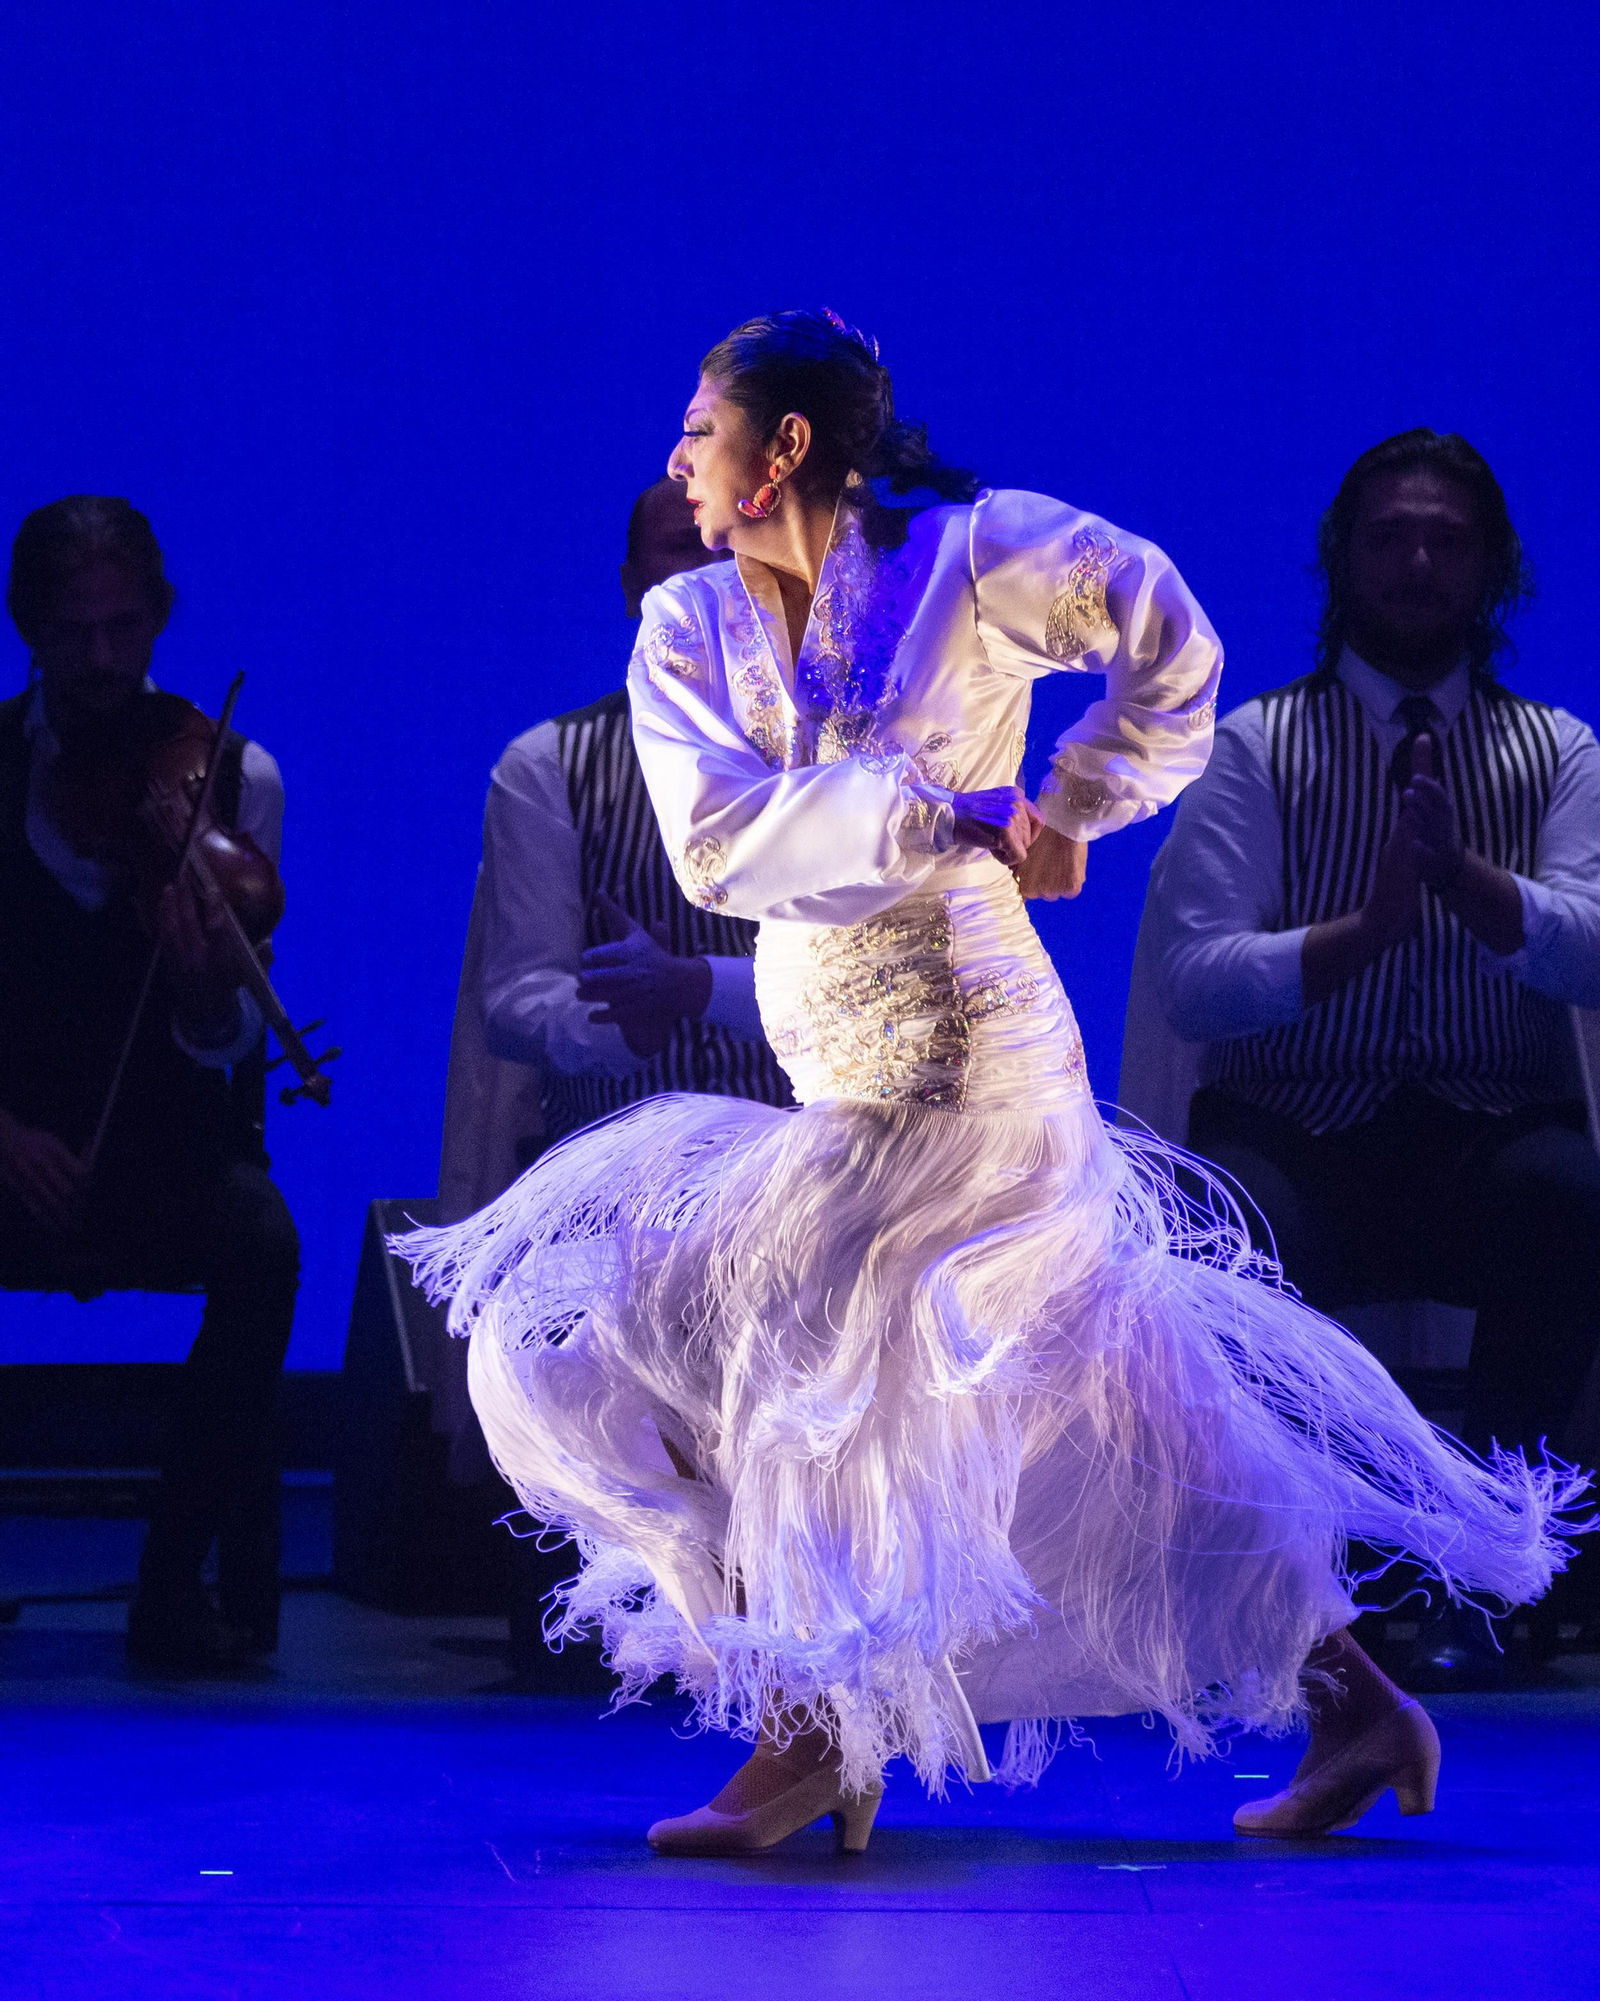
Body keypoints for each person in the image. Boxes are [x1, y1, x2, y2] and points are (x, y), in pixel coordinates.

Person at [401, 316, 1580, 1854]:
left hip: (974, 1057)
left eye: (703, 427)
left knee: (798, 1339)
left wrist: (1072, 803)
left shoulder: (979, 560)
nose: (681, 458)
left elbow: (1175, 644)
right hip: (836, 1054)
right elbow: (716, 842)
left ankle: (821, 1724)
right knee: (1110, 1409)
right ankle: (1352, 1695)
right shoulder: (689, 627)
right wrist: (931, 808)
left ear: (790, 447)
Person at [1141, 431, 1600, 1689]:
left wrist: (1466, 885)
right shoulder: (1256, 748)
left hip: (1482, 1128)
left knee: (1569, 1198)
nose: (1413, 561)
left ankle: (1488, 1581)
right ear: (1339, 558)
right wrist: (1364, 934)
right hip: (1302, 1125)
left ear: (1492, 569)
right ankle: (1304, 1599)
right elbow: (1197, 974)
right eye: (1387, 535)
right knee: (1219, 1225)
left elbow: (1593, 952)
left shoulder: (1557, 753)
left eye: (1445, 540)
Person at [432, 478, 792, 1676]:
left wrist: (694, 990)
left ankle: (792, 1610)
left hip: (795, 1148)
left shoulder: (831, 761)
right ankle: (648, 1600)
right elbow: (516, 997)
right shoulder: (552, 766)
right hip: (617, 1144)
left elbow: (873, 980)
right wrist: (621, 1021)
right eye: (669, 556)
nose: (696, 574)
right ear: (630, 588)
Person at [0, 496, 299, 1673]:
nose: (103, 660)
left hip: (159, 1149)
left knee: (262, 1247)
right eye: (73, 633)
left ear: (161, 621)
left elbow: (227, 1045)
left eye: (126, 629)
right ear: (27, 623)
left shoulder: (232, 776)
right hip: (11, 1144)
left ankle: (173, 1587)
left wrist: (200, 991)